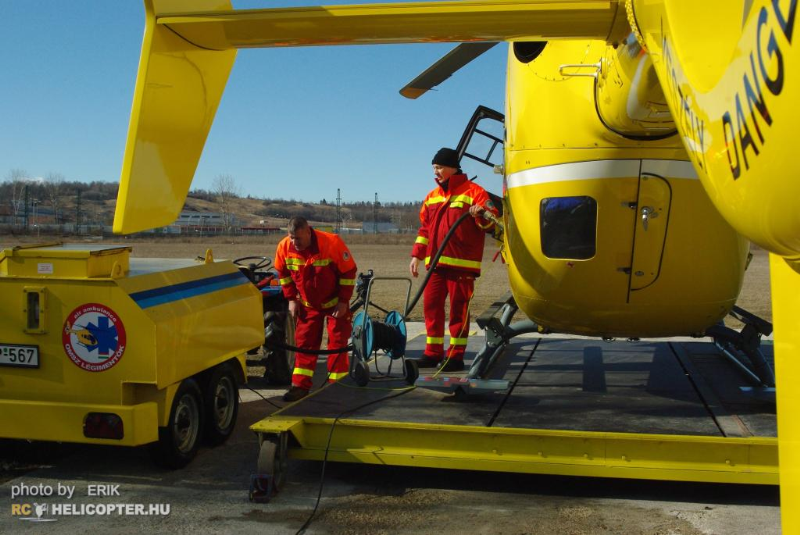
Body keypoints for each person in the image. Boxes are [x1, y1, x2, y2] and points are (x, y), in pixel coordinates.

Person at [409, 147, 499, 372]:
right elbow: (425, 229)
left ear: (452, 168)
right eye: (434, 168)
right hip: (435, 266)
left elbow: (492, 222)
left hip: (462, 267)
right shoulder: (432, 197)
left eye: (439, 167)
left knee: (459, 312)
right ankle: (432, 353)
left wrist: (480, 214)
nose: (435, 172)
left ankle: (455, 356)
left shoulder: (475, 192)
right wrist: (417, 255)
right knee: (431, 308)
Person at [274, 216, 357, 401]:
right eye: (291, 238)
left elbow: (348, 272)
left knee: (337, 343)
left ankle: (338, 385)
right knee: (304, 344)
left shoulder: (331, 243)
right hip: (307, 306)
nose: (295, 243)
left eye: (298, 238)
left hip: (334, 304)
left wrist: (343, 302)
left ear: (308, 232)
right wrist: (292, 299)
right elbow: (283, 274)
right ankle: (300, 387)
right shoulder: (284, 247)